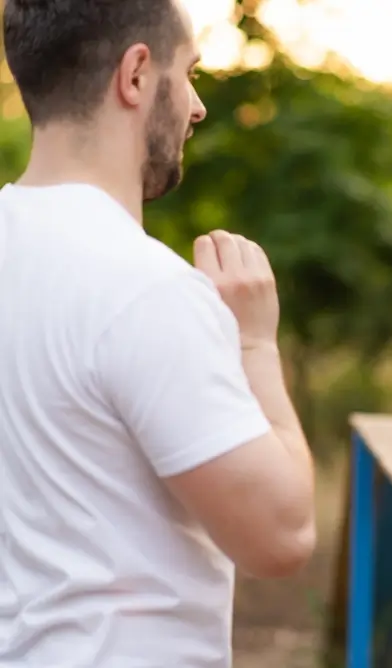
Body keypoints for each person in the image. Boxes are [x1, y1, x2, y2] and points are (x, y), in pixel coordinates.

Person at [0, 1, 317, 666]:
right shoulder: (147, 291)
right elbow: (281, 537)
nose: (198, 107)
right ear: (137, 74)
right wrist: (256, 345)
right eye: (190, 73)